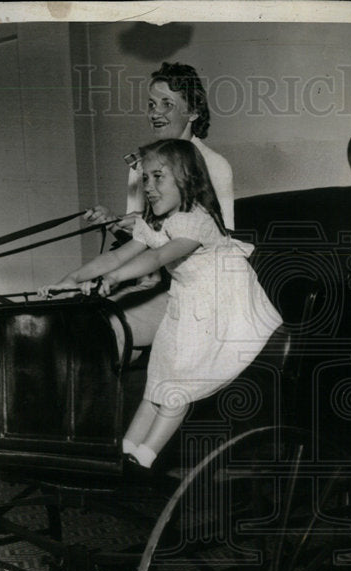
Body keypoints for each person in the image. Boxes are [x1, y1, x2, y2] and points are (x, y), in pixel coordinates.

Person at [42, 140, 281, 469]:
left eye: (158, 177)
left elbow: (157, 256)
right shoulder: (157, 222)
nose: (149, 187)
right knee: (158, 379)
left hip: (221, 305)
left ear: (186, 179)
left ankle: (147, 456)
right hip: (187, 301)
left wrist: (113, 280)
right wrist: (70, 280)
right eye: (145, 179)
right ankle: (125, 450)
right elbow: (116, 255)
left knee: (178, 382)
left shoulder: (198, 220)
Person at [83, 62, 235, 361]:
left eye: (168, 104)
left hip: (194, 287)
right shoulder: (142, 163)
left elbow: (218, 239)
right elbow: (142, 236)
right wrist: (115, 222)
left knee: (108, 328)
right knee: (85, 316)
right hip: (149, 277)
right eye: (152, 104)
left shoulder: (215, 165)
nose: (155, 113)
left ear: (193, 111)